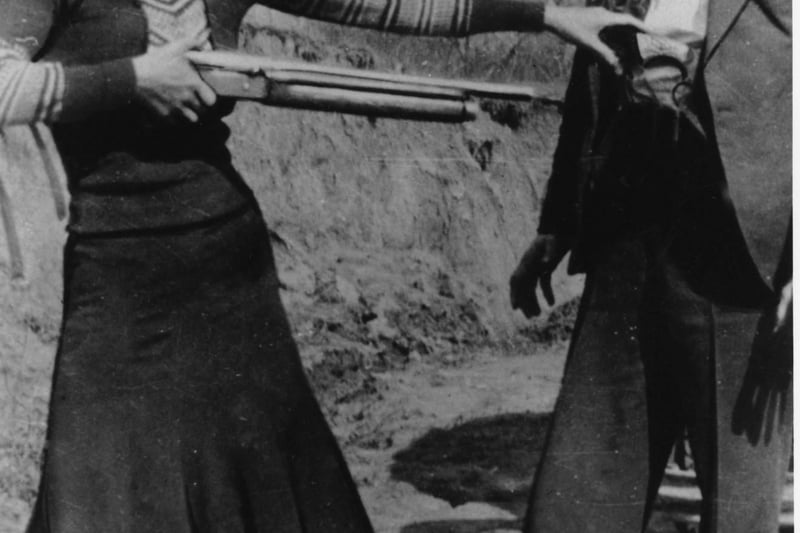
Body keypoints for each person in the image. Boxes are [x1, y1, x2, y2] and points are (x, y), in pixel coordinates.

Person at [0, 0, 648, 531]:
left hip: (230, 273)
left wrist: (545, 15)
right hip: (117, 279)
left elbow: (395, 6)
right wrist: (136, 79)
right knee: (102, 491)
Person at [509, 0, 791, 531]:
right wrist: (559, 221)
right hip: (626, 214)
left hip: (744, 241)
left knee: (737, 510)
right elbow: (593, 54)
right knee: (578, 493)